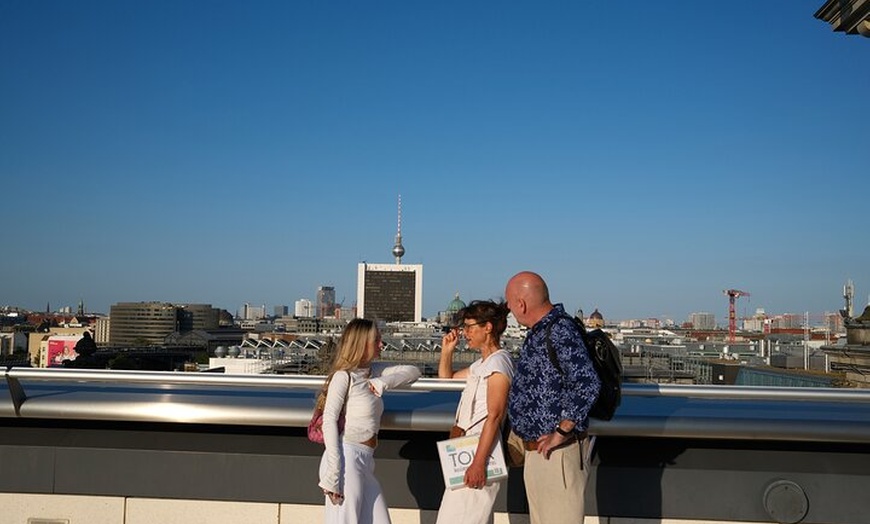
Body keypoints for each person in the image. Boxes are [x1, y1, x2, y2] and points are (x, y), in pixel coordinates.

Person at [505, 271, 601, 524]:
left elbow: (587, 382)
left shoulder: (560, 330)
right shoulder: (540, 331)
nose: (510, 310)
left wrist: (562, 430)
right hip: (540, 452)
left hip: (558, 452)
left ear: (521, 304)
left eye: (510, 304)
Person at [318, 318, 421, 524]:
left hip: (365, 460)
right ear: (361, 343)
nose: (381, 344)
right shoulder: (344, 377)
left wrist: (383, 382)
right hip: (346, 459)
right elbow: (328, 421)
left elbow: (413, 371)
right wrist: (334, 473)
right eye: (376, 340)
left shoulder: (375, 372)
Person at [435, 300, 514, 524]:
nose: (465, 333)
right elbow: (446, 379)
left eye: (470, 327)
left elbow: (495, 415)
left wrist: (479, 463)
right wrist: (447, 352)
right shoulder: (483, 364)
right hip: (469, 450)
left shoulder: (499, 362)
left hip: (480, 452)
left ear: (487, 327)